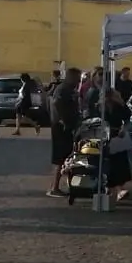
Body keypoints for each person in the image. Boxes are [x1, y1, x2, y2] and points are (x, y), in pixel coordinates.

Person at [48, 68, 81, 196]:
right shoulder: (62, 89)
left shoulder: (70, 89)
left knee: (67, 156)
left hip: (67, 126)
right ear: (70, 77)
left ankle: (67, 186)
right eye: (77, 78)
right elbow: (56, 103)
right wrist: (63, 120)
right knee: (60, 158)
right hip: (61, 128)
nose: (79, 80)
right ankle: (54, 188)